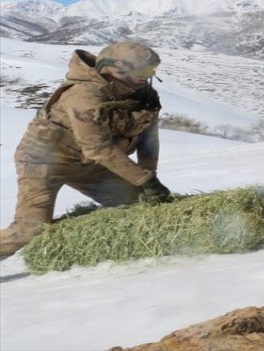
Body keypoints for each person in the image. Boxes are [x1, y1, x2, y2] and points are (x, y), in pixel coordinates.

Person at [0, 42, 172, 261]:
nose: (146, 77)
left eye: (150, 71)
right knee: (31, 229)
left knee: (140, 203)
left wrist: (150, 176)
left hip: (90, 164)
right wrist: (144, 179)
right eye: (141, 71)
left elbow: (148, 137)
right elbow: (97, 147)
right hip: (45, 163)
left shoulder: (143, 94)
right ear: (115, 68)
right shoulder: (83, 95)